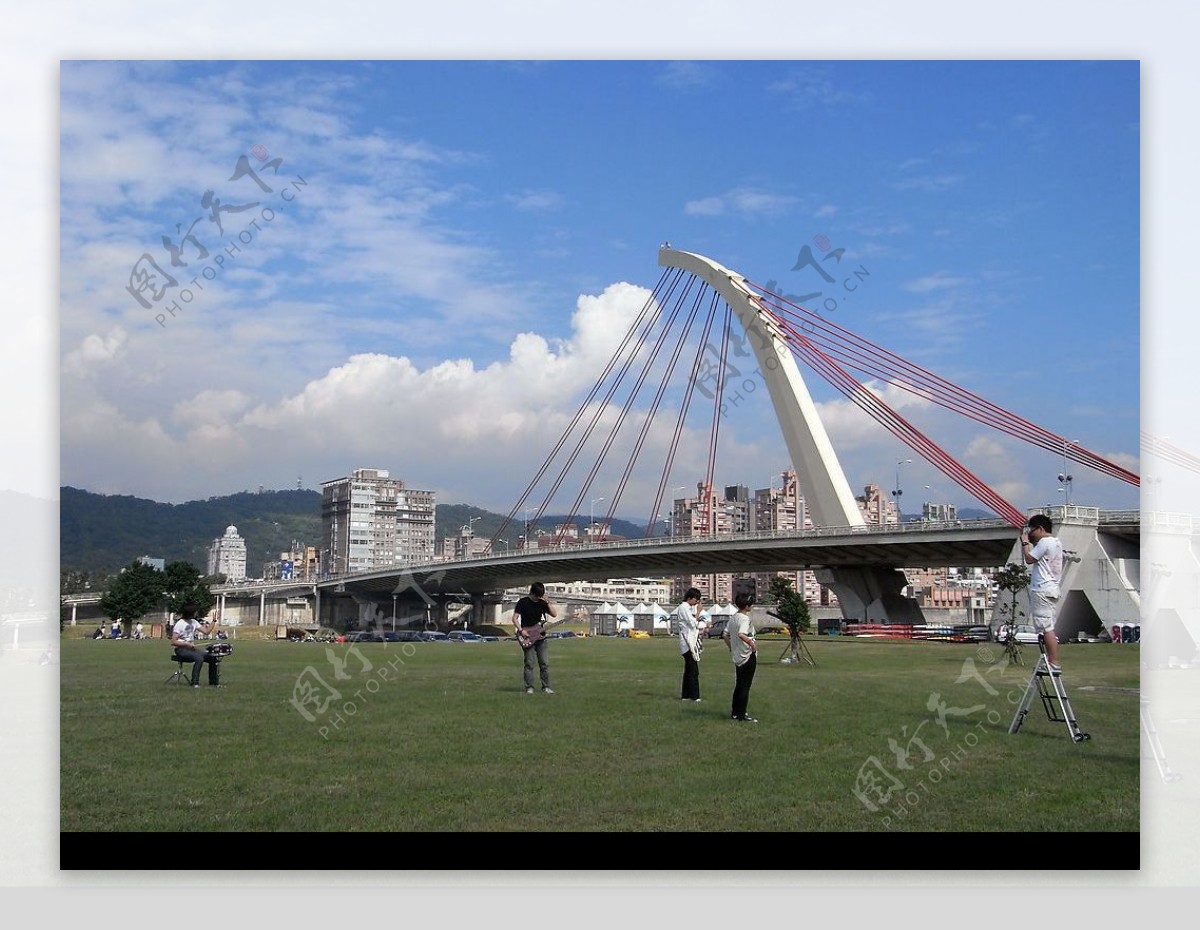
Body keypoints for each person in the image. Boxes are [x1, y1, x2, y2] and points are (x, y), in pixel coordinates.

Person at [1022, 513, 1065, 673]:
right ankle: (1051, 659)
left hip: (1042, 588)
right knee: (1048, 627)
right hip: (1052, 588)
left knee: (1046, 628)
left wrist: (1025, 543)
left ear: (1040, 529)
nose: (1030, 534)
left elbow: (1029, 558)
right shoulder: (1056, 542)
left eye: (1031, 530)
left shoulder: (1044, 542)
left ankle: (1053, 662)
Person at [512, 582, 557, 694]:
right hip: (527, 636)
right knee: (529, 663)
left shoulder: (542, 603)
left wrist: (548, 602)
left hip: (541, 637)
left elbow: (554, 614)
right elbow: (515, 618)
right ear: (532, 593)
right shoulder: (522, 602)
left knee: (544, 663)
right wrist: (521, 630)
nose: (538, 598)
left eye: (540, 596)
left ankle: (546, 687)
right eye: (537, 596)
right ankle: (529, 687)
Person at [723, 592, 758, 722]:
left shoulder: (733, 617)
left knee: (739, 685)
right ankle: (741, 715)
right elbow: (741, 634)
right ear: (747, 606)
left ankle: (735, 712)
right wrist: (752, 644)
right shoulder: (744, 618)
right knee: (745, 686)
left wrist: (731, 648)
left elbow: (725, 635)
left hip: (737, 656)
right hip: (747, 655)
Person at [170, 604, 222, 687]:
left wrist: (214, 621)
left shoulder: (194, 622)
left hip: (191, 649)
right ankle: (194, 683)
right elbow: (173, 641)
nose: (196, 614)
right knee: (199, 658)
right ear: (190, 613)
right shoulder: (179, 624)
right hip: (181, 650)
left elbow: (206, 631)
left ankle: (213, 683)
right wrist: (186, 644)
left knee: (212, 657)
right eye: (195, 612)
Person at [675, 587, 707, 702]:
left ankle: (686, 695)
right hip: (688, 643)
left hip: (688, 641)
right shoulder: (684, 607)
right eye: (696, 599)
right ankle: (694, 695)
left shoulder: (687, 608)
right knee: (693, 670)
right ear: (690, 598)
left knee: (689, 669)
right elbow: (692, 623)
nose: (697, 602)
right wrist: (698, 612)